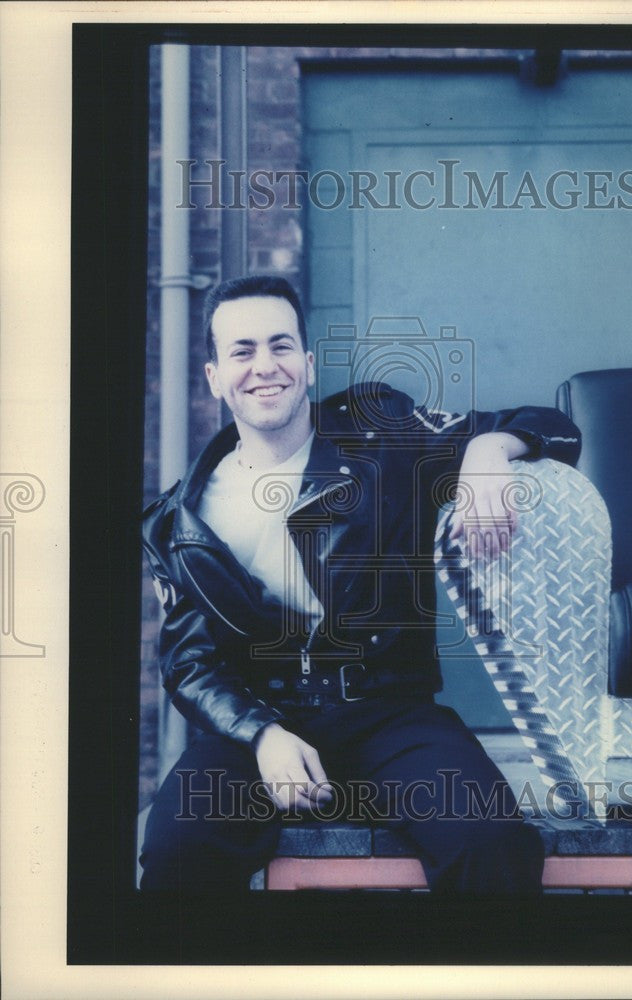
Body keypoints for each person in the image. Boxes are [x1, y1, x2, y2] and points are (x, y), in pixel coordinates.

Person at [140, 274, 580, 893]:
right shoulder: (179, 520)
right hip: (259, 722)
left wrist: (487, 450)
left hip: (389, 712)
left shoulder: (381, 431)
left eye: (281, 345)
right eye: (242, 351)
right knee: (174, 851)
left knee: (491, 842)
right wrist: (261, 735)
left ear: (309, 363)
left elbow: (555, 428)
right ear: (214, 376)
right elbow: (189, 663)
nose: (265, 366)